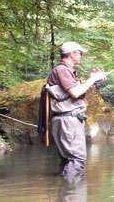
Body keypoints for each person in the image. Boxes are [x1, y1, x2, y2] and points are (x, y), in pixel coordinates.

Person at [45, 42, 106, 176]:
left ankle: (65, 192)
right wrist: (92, 78)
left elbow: (74, 91)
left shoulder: (65, 71)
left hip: (66, 120)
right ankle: (72, 193)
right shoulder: (62, 70)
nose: (81, 56)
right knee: (77, 160)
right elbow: (75, 92)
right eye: (80, 53)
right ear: (72, 53)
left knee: (68, 161)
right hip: (68, 121)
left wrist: (93, 81)